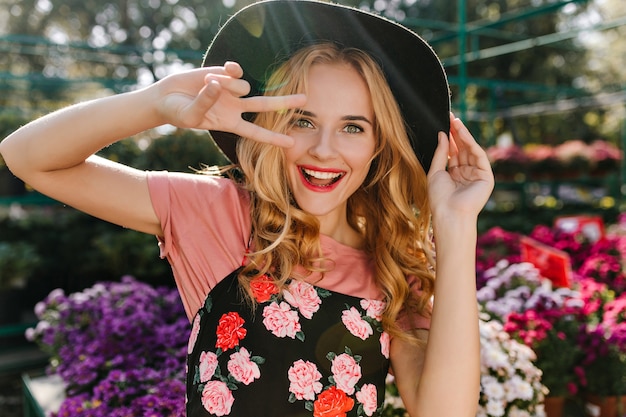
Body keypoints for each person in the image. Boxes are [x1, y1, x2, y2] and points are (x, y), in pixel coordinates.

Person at [0, 1, 494, 416]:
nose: (324, 149)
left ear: (378, 146)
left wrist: (456, 225)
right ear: (272, 123)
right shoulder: (219, 214)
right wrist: (155, 104)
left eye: (353, 127)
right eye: (302, 120)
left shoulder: (391, 266)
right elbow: (27, 158)